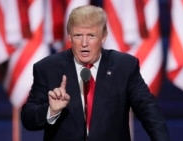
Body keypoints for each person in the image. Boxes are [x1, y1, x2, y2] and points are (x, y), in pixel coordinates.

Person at [21, 5, 170, 141]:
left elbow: (149, 112)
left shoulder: (124, 67)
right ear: (70, 36)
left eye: (91, 36)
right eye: (78, 35)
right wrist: (51, 110)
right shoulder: (47, 68)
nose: (84, 43)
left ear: (103, 37)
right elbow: (28, 118)